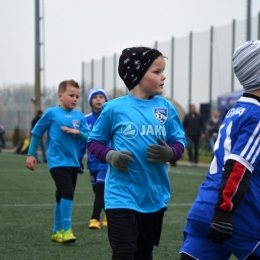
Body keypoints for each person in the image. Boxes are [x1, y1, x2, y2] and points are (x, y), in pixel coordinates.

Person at [87, 46, 186, 260]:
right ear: (138, 75)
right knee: (123, 253)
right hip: (120, 194)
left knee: (144, 254)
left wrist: (170, 153)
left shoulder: (166, 108)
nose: (163, 76)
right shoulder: (114, 108)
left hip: (153, 196)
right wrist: (110, 156)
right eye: (157, 72)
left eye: (163, 71)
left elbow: (180, 141)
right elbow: (94, 142)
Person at [179, 40, 260, 260]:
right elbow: (239, 166)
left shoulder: (237, 110)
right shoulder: (257, 115)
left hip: (203, 209)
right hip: (237, 215)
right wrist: (224, 211)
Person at [25, 80, 90, 244]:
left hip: (73, 163)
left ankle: (56, 231)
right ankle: (67, 230)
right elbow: (37, 132)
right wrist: (31, 154)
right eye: (71, 95)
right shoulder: (51, 113)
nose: (75, 99)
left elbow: (90, 138)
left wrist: (78, 132)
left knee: (61, 194)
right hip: (56, 161)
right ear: (61, 96)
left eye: (77, 96)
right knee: (68, 192)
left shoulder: (79, 116)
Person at [78, 87, 109, 229]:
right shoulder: (85, 119)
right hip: (92, 162)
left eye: (101, 97)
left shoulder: (110, 116)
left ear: (105, 100)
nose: (98, 99)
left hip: (106, 161)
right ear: (91, 101)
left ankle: (94, 219)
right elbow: (81, 141)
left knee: (101, 190)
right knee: (97, 190)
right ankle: (109, 213)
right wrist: (78, 159)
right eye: (95, 97)